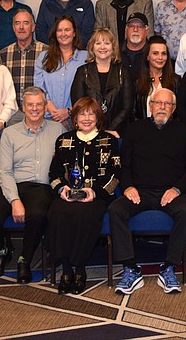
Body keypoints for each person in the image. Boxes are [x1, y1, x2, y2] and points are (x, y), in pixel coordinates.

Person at [110, 88, 186, 295]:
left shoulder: (184, 132)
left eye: (167, 104)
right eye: (158, 103)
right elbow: (124, 166)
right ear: (150, 106)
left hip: (171, 192)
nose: (162, 108)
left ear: (174, 108)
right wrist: (128, 187)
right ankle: (130, 268)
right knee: (116, 209)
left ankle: (168, 267)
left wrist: (176, 189)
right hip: (140, 192)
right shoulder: (134, 129)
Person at [0, 87, 64, 282]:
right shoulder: (10, 133)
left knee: (38, 215)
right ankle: (2, 250)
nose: (34, 109)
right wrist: (15, 200)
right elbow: (5, 171)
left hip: (41, 187)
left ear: (45, 107)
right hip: (12, 183)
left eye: (39, 104)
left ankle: (24, 259)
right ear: (23, 108)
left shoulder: (58, 130)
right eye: (30, 105)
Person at [47, 97, 121, 294]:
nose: (86, 118)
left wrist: (94, 191)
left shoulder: (109, 140)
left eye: (91, 114)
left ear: (98, 118)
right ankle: (66, 269)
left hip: (97, 196)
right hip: (68, 195)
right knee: (57, 212)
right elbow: (53, 174)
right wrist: (62, 190)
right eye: (82, 114)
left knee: (85, 214)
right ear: (75, 118)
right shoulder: (63, 140)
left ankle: (79, 269)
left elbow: (115, 175)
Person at [70, 28, 135, 133]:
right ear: (92, 47)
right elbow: (78, 105)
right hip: (88, 131)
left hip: (117, 132)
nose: (102, 47)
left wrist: (109, 130)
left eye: (107, 43)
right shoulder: (82, 72)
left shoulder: (123, 72)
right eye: (98, 43)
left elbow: (127, 107)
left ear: (113, 47)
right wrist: (94, 130)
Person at [34, 15, 88, 126]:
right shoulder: (44, 57)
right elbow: (39, 88)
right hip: (48, 119)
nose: (63, 34)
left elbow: (89, 91)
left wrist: (68, 111)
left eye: (67, 30)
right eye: (59, 30)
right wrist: (55, 113)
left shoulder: (86, 57)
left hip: (78, 120)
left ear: (74, 33)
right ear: (55, 34)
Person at [0, 8, 45, 127]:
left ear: (33, 27)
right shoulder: (4, 54)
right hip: (13, 114)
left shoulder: (46, 52)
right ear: (13, 27)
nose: (21, 27)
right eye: (17, 23)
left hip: (39, 112)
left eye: (26, 23)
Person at [134, 35, 180, 125]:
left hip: (170, 131)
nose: (160, 57)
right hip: (144, 131)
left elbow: (179, 113)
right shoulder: (137, 82)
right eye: (155, 53)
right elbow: (134, 113)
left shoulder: (176, 81)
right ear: (147, 56)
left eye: (163, 53)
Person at [120, 13, 150, 79]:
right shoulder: (116, 52)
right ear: (126, 30)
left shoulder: (153, 53)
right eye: (131, 26)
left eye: (140, 26)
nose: (135, 29)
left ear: (147, 31)